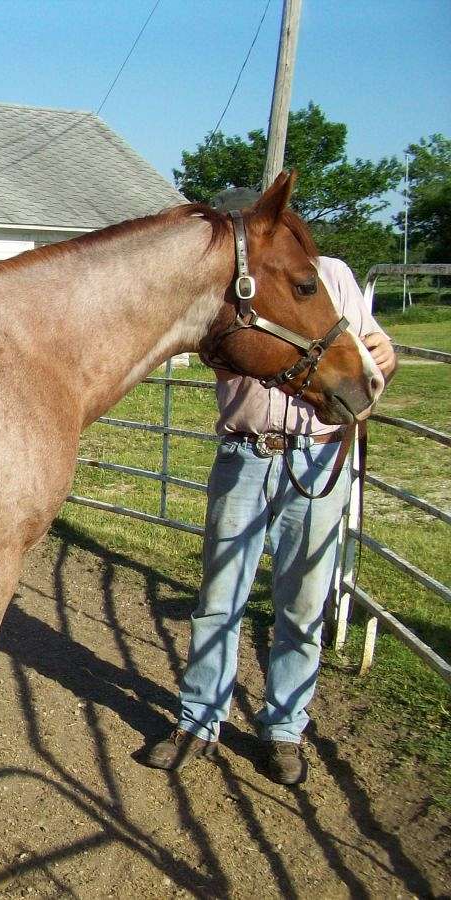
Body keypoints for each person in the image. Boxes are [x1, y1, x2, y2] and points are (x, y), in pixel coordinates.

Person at [144, 188, 397, 785]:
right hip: (246, 453)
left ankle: (284, 729)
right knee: (218, 599)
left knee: (303, 604)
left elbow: (371, 353)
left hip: (316, 457)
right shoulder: (228, 285)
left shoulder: (332, 276)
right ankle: (199, 721)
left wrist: (381, 360)